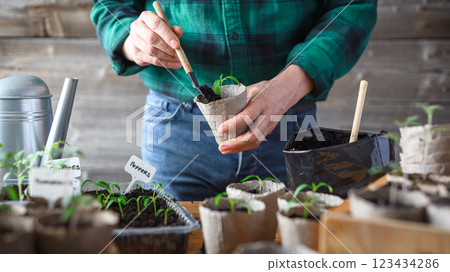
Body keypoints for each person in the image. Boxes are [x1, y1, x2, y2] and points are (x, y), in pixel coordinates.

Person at [91, 0, 377, 201]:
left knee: (284, 245)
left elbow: (353, 6)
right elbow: (110, 5)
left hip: (288, 125)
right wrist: (134, 39)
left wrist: (289, 84)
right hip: (174, 127)